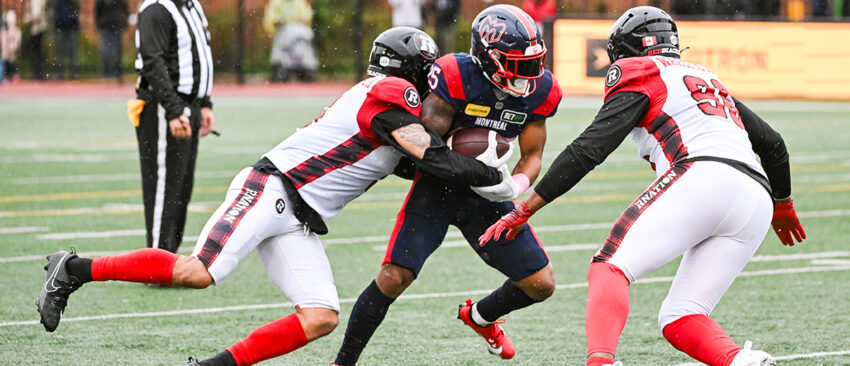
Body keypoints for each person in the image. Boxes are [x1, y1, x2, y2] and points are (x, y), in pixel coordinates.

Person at [35, 27, 514, 366]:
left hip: (299, 217)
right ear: (411, 70)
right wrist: (494, 175)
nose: (434, 84)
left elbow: (421, 164)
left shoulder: (388, 108)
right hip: (271, 189)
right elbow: (433, 159)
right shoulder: (390, 93)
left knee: (320, 316)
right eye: (428, 73)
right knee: (197, 272)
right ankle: (73, 269)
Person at [479, 6, 806, 366]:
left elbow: (589, 149)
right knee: (681, 315)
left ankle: (601, 363)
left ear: (625, 51)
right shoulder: (705, 78)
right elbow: (773, 144)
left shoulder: (640, 71)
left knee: (609, 267)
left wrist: (526, 208)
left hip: (703, 176)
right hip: (756, 198)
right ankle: (743, 361)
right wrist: (783, 204)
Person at [333, 5, 562, 365]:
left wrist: (515, 184)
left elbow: (533, 154)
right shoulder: (456, 75)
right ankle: (343, 362)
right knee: (394, 277)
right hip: (436, 188)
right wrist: (473, 169)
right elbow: (425, 147)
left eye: (533, 62)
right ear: (488, 58)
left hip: (487, 197)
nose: (529, 73)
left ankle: (480, 317)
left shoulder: (541, 90)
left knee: (541, 283)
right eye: (518, 63)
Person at [132, 0, 215, 256]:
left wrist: (204, 103)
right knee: (163, 190)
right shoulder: (157, 8)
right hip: (164, 106)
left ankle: (169, 259)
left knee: (180, 190)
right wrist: (173, 109)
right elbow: (152, 61)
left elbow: (198, 53)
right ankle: (157, 262)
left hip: (188, 105)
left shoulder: (190, 5)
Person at [263, 0, 317, 82]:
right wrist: (278, 22)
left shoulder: (299, 2)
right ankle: (280, 70)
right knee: (279, 56)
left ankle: (304, 69)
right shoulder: (276, 2)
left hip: (298, 36)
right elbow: (271, 19)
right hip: (282, 34)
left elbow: (306, 17)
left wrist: (297, 23)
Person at [95, 0, 129, 80]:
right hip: (116, 23)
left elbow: (98, 11)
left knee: (107, 49)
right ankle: (116, 71)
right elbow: (125, 10)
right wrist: (125, 23)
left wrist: (98, 24)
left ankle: (107, 71)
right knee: (116, 48)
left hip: (105, 24)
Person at [53, 0, 80, 80]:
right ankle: (59, 72)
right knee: (59, 51)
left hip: (72, 25)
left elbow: (78, 6)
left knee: (73, 50)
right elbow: (51, 7)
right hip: (60, 24)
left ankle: (74, 72)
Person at [23, 0, 48, 80]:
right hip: (37, 28)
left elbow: (36, 15)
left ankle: (39, 72)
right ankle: (40, 72)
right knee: (37, 51)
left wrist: (28, 19)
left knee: (35, 51)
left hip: (37, 29)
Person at [1, 10, 22, 83]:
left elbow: (18, 42)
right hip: (6, 53)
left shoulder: (17, 31)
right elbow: (3, 44)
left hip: (12, 53)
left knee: (13, 60)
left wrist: (14, 46)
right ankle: (5, 75)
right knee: (5, 59)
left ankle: (13, 74)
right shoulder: (4, 32)